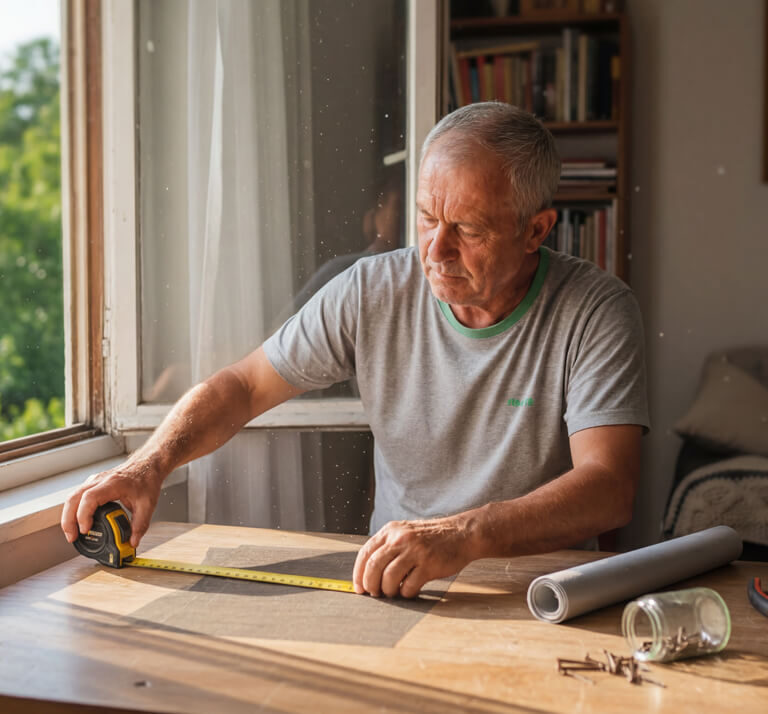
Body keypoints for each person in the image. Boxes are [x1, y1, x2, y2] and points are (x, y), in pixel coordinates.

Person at [61, 102, 648, 599]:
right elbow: (243, 387)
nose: (435, 250)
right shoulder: (370, 291)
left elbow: (608, 485)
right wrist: (149, 465)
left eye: (468, 230)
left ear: (536, 230)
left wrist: (462, 536)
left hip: (543, 593)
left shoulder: (597, 310)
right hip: (396, 585)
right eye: (425, 217)